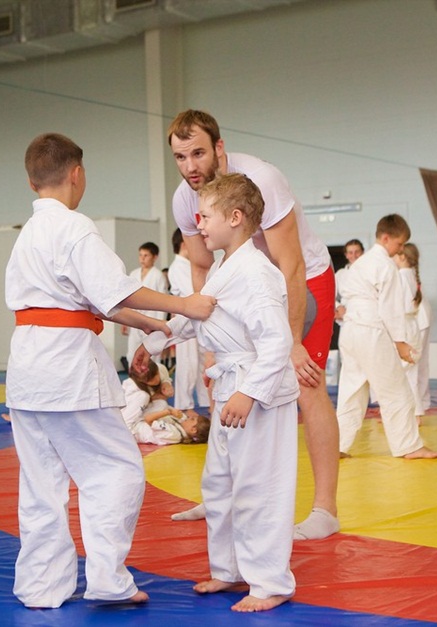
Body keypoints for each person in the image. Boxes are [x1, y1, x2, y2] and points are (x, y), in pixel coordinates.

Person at [3, 132, 215, 610]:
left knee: (40, 485)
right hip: (67, 368)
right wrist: (185, 304)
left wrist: (146, 324)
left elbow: (89, 300)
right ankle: (107, 579)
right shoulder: (73, 227)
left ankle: (41, 587)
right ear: (76, 174)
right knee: (116, 469)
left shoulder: (28, 234)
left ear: (32, 181)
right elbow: (114, 290)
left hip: (27, 368)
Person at [161, 109, 341, 540]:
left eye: (198, 153)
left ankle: (326, 509)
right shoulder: (185, 198)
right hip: (243, 285)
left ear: (219, 147)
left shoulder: (262, 178)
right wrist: (210, 342)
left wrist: (291, 341)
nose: (190, 166)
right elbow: (202, 267)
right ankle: (221, 494)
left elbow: (290, 264)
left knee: (306, 382)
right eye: (181, 157)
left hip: (302, 278)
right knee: (221, 379)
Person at [141, 173, 300, 612]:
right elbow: (197, 316)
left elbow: (277, 341)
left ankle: (270, 582)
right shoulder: (223, 269)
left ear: (235, 217)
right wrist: (152, 341)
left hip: (258, 392)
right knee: (219, 484)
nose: (199, 224)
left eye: (206, 216)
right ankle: (229, 569)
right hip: (231, 387)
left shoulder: (258, 273)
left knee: (258, 487)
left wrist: (249, 392)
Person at [336, 214, 437, 460]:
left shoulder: (359, 264)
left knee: (351, 391)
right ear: (386, 238)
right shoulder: (386, 265)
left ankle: (338, 445)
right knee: (396, 389)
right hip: (370, 330)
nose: (401, 249)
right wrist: (401, 343)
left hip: (350, 330)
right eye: (399, 243)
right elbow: (390, 309)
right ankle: (409, 446)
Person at [167, 228, 210, 414]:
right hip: (186, 319)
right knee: (188, 363)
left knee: (201, 362)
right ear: (185, 243)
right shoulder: (178, 266)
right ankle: (184, 405)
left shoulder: (188, 265)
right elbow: (194, 292)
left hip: (198, 318)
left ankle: (205, 400)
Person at [122, 360, 210, 446]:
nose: (189, 417)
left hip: (136, 428)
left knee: (161, 403)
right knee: (149, 398)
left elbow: (148, 419)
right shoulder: (135, 389)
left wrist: (166, 383)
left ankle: (124, 429)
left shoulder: (174, 434)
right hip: (130, 417)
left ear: (193, 429)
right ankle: (124, 426)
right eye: (192, 418)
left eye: (192, 419)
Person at [123, 242, 169, 364]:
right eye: (140, 255)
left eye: (146, 255)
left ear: (155, 257)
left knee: (151, 356)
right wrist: (125, 321)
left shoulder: (158, 276)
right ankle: (133, 377)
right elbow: (127, 298)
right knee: (131, 355)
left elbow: (163, 302)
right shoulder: (133, 274)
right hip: (135, 320)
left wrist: (159, 324)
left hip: (152, 319)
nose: (142, 258)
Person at [394, 243, 424, 419]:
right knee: (410, 374)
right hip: (412, 326)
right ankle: (416, 413)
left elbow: (399, 306)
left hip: (404, 327)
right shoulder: (411, 275)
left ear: (403, 257)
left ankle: (407, 413)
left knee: (400, 373)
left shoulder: (401, 276)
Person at [334, 239, 364, 324]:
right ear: (346, 255)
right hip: (346, 318)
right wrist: (338, 306)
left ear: (362, 253)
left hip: (366, 316)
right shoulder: (340, 274)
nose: (354, 255)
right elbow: (330, 296)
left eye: (357, 252)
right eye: (350, 253)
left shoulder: (370, 272)